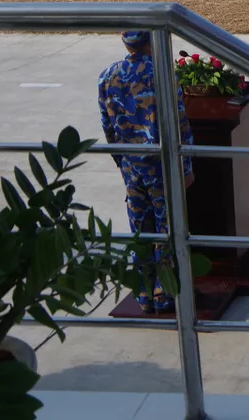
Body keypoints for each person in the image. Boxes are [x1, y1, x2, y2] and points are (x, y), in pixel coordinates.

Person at [98, 30, 195, 315]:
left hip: (131, 167)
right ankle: (165, 294)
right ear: (150, 41)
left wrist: (122, 163)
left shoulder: (107, 75)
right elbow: (179, 123)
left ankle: (143, 292)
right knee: (167, 230)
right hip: (161, 167)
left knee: (139, 230)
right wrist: (186, 167)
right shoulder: (162, 74)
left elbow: (108, 126)